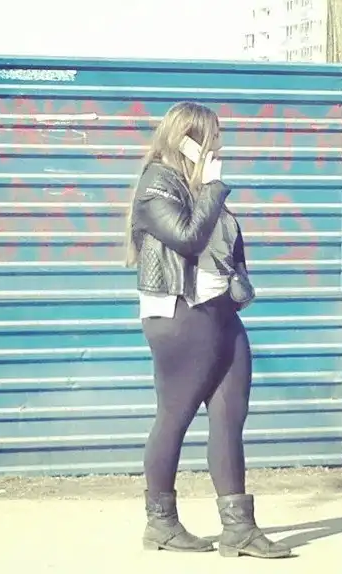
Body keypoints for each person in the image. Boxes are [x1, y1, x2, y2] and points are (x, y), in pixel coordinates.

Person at [123, 101, 291, 560]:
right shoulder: (157, 184)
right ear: (187, 139)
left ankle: (239, 530)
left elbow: (222, 246)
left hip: (220, 312)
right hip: (179, 314)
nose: (219, 144)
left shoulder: (199, 186)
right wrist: (214, 186)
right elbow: (188, 237)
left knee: (230, 416)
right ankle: (161, 523)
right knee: (174, 417)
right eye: (212, 136)